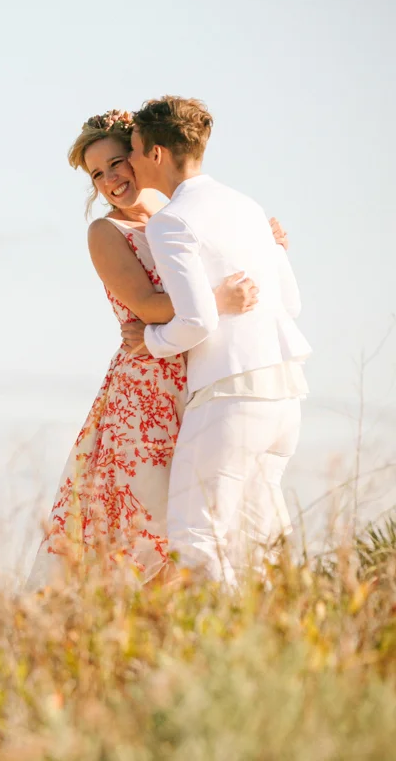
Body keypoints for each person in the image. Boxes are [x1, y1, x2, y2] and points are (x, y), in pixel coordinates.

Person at [24, 110, 289, 591]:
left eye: (116, 163)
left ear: (146, 156)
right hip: (147, 388)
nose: (109, 180)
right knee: (149, 524)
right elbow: (147, 306)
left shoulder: (183, 218)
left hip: (204, 379)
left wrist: (261, 245)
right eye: (97, 174)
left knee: (212, 517)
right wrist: (220, 299)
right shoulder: (106, 234)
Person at [121, 96, 311, 587]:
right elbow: (289, 301)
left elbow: (198, 319)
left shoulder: (172, 220)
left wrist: (151, 338)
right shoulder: (246, 205)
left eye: (136, 150)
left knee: (193, 535)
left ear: (157, 153)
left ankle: (219, 651)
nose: (132, 160)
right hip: (286, 393)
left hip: (229, 394)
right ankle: (281, 636)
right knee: (259, 540)